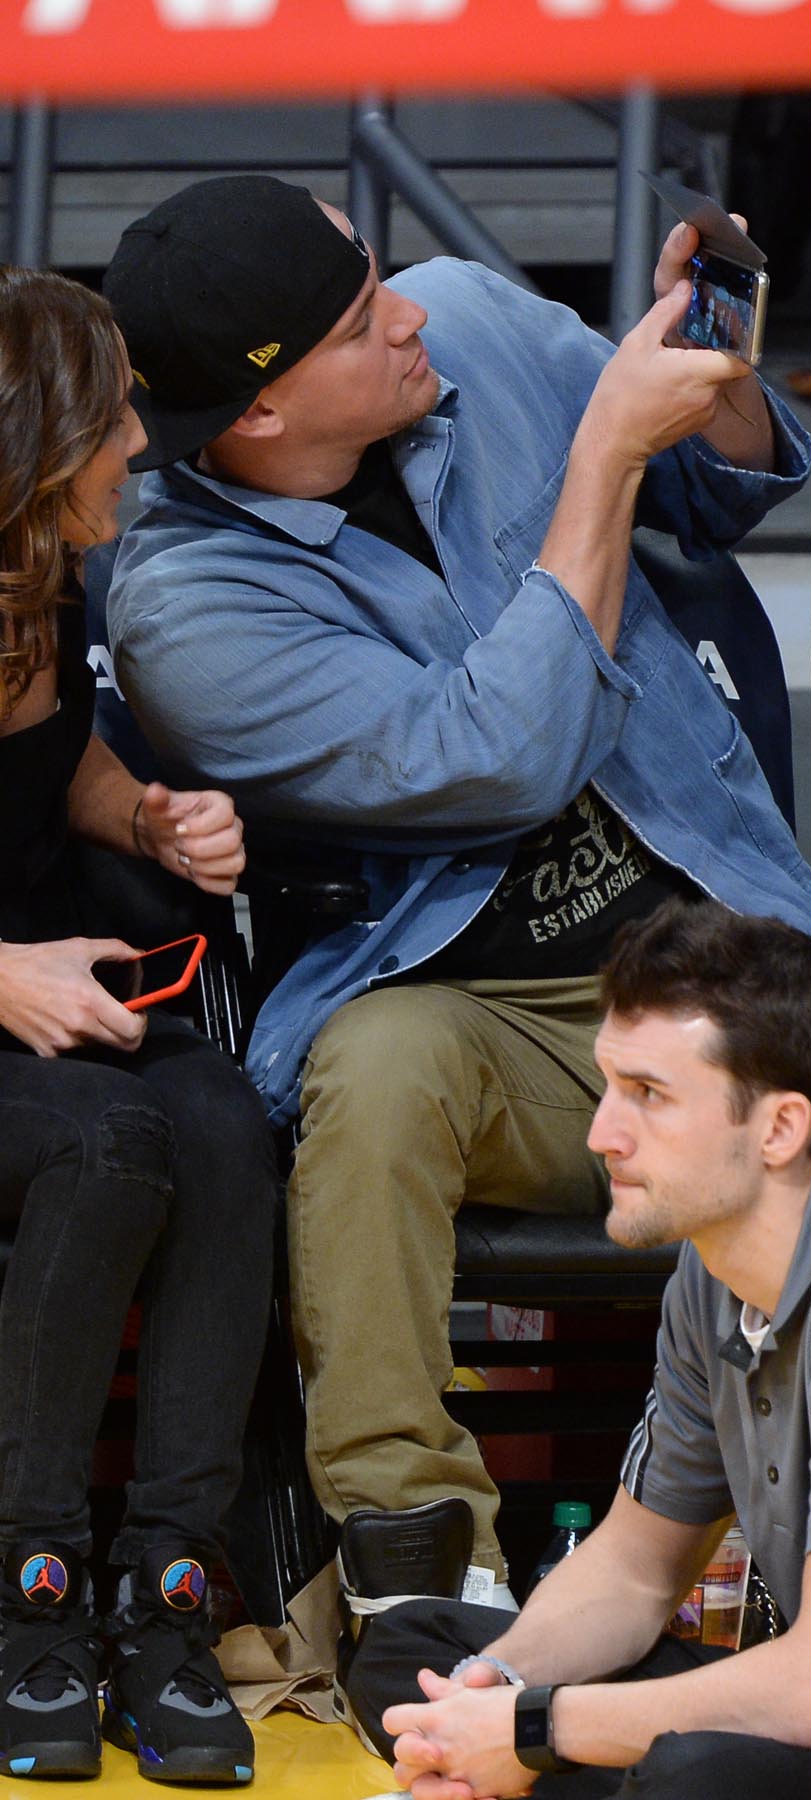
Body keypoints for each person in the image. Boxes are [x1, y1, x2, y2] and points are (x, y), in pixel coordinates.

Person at [98, 176, 811, 1610]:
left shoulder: (476, 325)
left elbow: (713, 485)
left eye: (377, 272)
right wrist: (603, 453)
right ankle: (418, 1562)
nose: (407, 314)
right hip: (493, 1021)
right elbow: (501, 759)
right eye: (359, 317)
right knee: (367, 1082)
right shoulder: (188, 607)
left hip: (735, 964)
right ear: (258, 412)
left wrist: (711, 387)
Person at [344, 901, 811, 1800]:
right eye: (609, 1086)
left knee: (696, 1776)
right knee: (416, 1654)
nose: (602, 1132)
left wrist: (535, 1732)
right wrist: (487, 1697)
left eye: (647, 1095)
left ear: (778, 1129)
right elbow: (635, 1570)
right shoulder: (713, 1269)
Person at [0, 267, 274, 1784]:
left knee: (226, 1122)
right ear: (40, 427)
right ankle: (27, 1588)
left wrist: (155, 821)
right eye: (114, 416)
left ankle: (166, 1588)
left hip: (41, 985)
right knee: (112, 1141)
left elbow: (60, 768)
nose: (140, 447)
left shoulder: (44, 578)